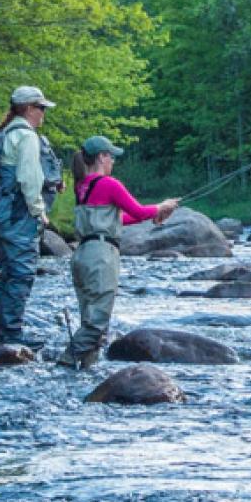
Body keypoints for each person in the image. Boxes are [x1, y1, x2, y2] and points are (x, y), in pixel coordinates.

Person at [57, 135, 179, 369]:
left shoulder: (83, 186)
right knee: (97, 323)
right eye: (110, 156)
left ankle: (85, 371)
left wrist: (154, 213)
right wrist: (163, 206)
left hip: (82, 255)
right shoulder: (109, 184)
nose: (113, 160)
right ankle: (64, 365)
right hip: (101, 256)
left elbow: (117, 218)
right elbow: (138, 210)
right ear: (101, 157)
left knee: (90, 320)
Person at [0, 85, 56, 345]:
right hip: (17, 216)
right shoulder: (26, 136)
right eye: (41, 108)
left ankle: (2, 335)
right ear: (28, 109)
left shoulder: (5, 132)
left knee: (9, 274)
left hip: (1, 214)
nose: (43, 114)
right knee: (21, 274)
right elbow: (29, 179)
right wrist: (40, 212)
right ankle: (11, 336)